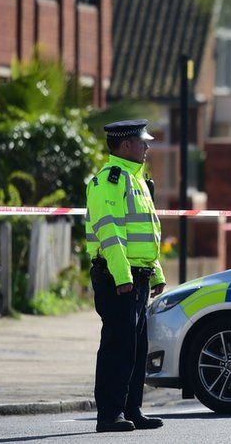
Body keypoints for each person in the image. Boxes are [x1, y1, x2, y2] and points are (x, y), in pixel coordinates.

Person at [86, 119, 166, 433]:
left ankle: (131, 409)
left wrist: (156, 272)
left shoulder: (139, 182)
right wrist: (122, 277)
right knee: (117, 347)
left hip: (138, 277)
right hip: (119, 279)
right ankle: (109, 414)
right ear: (126, 145)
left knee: (136, 348)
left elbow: (147, 235)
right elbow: (111, 233)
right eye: (142, 142)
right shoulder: (111, 181)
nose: (147, 147)